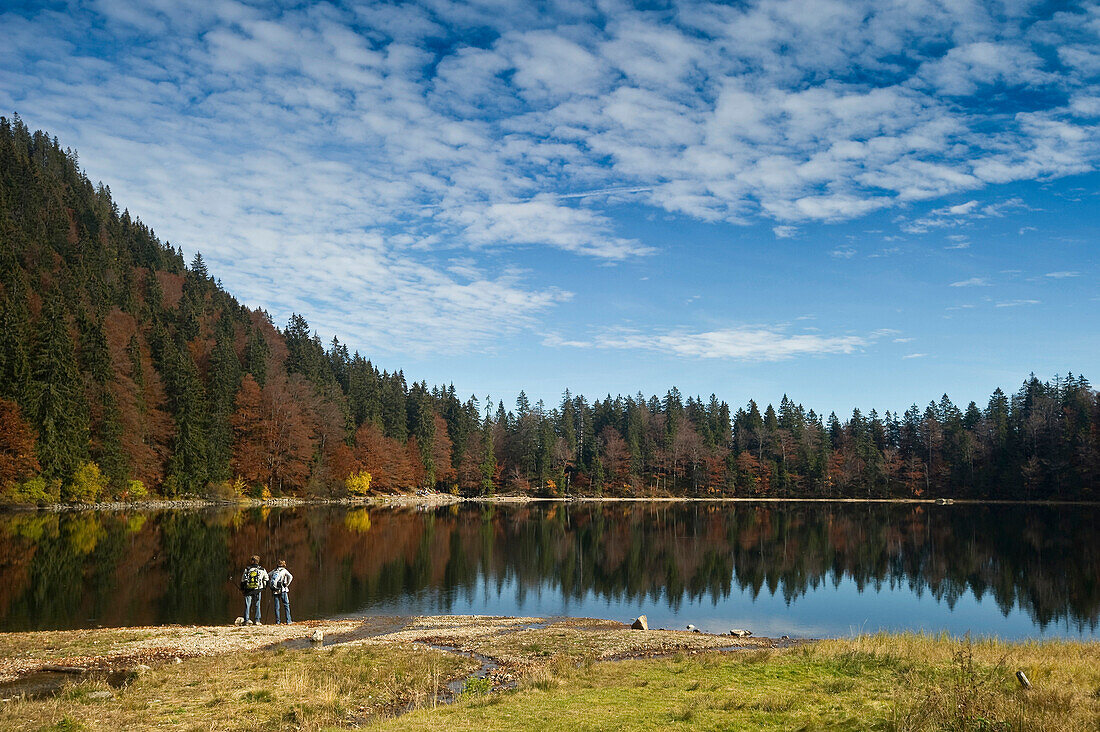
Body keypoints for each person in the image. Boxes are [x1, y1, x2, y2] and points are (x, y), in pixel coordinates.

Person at [240, 555, 268, 625]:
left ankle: (246, 620)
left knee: (247, 605)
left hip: (248, 590)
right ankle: (257, 620)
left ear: (252, 561)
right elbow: (266, 579)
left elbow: (243, 580)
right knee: (257, 604)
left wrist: (242, 589)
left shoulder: (247, 569)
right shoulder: (262, 569)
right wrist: (264, 587)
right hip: (258, 589)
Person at [269, 559, 294, 624]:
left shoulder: (274, 571)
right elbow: (291, 577)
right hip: (283, 590)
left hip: (275, 590)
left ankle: (278, 621)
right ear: (283, 565)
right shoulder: (284, 571)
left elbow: (268, 575)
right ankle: (288, 621)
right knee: (286, 605)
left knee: (277, 606)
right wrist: (287, 584)